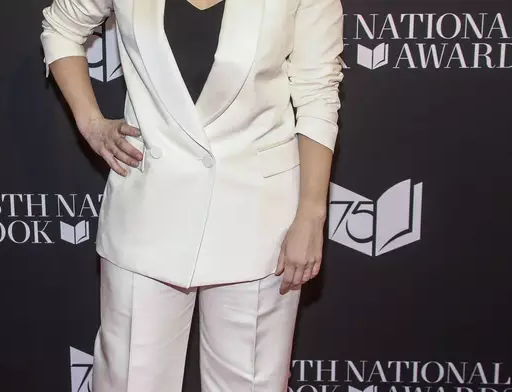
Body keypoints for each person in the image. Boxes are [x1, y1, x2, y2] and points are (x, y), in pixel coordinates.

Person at [40, 0, 343, 390]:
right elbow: (61, 25)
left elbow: (317, 93)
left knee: (250, 382)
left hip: (259, 214)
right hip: (149, 207)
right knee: (131, 379)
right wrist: (92, 123)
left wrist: (311, 214)